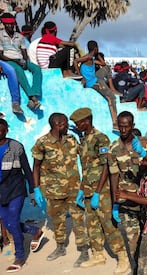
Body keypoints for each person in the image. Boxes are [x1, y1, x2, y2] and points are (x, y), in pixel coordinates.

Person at [69, 108, 131, 275]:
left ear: (86, 121)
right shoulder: (84, 140)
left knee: (108, 224)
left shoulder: (100, 138)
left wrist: (97, 192)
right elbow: (87, 168)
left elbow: (106, 166)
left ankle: (122, 257)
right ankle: (98, 255)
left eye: (78, 123)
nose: (76, 126)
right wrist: (82, 189)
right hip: (88, 189)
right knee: (92, 224)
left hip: (101, 191)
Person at [31, 113, 90, 267]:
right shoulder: (42, 143)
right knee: (57, 221)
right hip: (54, 190)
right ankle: (60, 248)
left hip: (74, 188)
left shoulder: (71, 139)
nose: (68, 126)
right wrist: (36, 189)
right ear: (58, 124)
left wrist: (82, 137)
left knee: (78, 219)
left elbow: (85, 154)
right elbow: (36, 166)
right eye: (65, 123)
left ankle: (83, 250)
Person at [0, 118, 44, 273]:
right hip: (0, 192)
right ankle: (35, 231)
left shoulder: (15, 146)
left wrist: (33, 191)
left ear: (7, 130)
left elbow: (26, 168)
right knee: (8, 223)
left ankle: (20, 256)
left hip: (15, 189)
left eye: (1, 129)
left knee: (12, 221)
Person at [107, 111, 147, 268]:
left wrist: (144, 154)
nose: (123, 130)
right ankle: (137, 268)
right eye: (120, 127)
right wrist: (115, 203)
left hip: (146, 198)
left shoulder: (144, 143)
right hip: (126, 200)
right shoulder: (113, 147)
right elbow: (113, 176)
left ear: (133, 126)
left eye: (126, 126)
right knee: (133, 239)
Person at [73, 40, 119, 132]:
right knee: (111, 98)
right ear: (95, 48)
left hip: (95, 77)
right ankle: (115, 123)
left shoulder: (92, 58)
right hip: (92, 82)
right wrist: (80, 76)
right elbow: (75, 61)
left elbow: (103, 64)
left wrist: (97, 54)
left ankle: (112, 88)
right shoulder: (88, 57)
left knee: (107, 68)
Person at [0, 13, 42, 110]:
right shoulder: (0, 35)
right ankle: (32, 97)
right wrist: (15, 61)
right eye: (7, 24)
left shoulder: (19, 36)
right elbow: (1, 55)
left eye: (11, 24)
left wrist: (25, 62)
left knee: (36, 68)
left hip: (20, 59)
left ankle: (35, 92)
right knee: (18, 70)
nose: (10, 26)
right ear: (3, 24)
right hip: (7, 60)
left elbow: (24, 51)